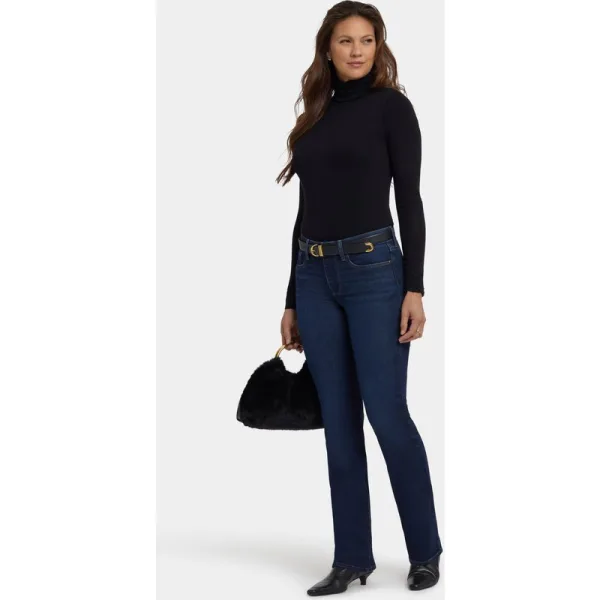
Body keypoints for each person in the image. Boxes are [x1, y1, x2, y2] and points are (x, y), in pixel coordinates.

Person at [276, 1, 443, 595]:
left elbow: (411, 201)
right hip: (315, 275)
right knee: (339, 423)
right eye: (345, 40)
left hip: (376, 272)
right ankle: (351, 558)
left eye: (366, 40)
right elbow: (306, 211)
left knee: (387, 413)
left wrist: (415, 287)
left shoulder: (392, 108)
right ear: (327, 47)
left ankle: (424, 551)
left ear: (379, 47)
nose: (356, 50)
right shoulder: (315, 114)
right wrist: (291, 298)